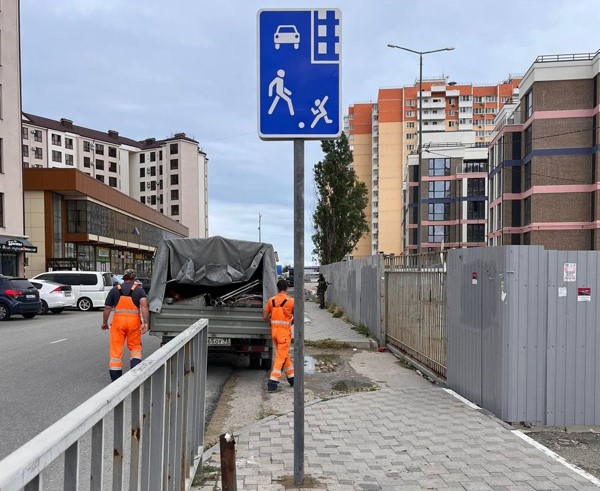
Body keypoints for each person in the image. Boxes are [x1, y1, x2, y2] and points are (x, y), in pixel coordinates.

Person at [101, 269, 149, 381]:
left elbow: (107, 308)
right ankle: (135, 374)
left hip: (118, 323)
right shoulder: (139, 291)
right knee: (135, 347)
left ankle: (116, 380)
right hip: (134, 323)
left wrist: (104, 322)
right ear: (133, 279)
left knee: (116, 350)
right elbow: (144, 306)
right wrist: (146, 323)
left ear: (124, 279)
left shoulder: (114, 290)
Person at [263, 279, 295, 393]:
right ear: (287, 289)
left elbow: (265, 316)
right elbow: (296, 317)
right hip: (284, 334)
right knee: (280, 357)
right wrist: (289, 323)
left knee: (284, 354)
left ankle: (292, 379)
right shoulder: (291, 301)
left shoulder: (271, 300)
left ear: (277, 288)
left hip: (274, 332)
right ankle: (272, 383)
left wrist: (272, 321)